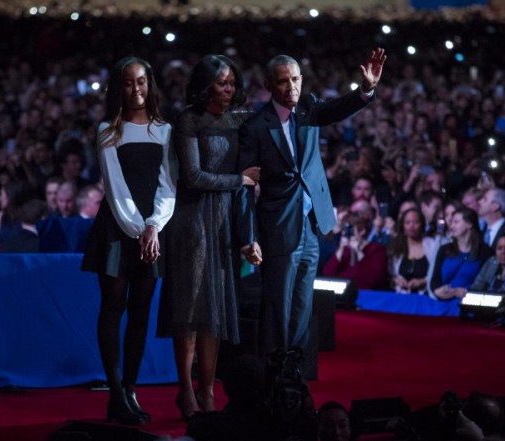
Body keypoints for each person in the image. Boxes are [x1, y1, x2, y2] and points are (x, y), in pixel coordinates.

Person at [237, 48, 386, 354]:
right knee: (277, 305)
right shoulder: (254, 127)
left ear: (302, 80)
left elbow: (337, 109)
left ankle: (296, 375)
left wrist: (366, 89)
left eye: (295, 80)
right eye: (282, 81)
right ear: (268, 85)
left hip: (311, 223)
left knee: (303, 304)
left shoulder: (308, 106)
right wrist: (249, 237)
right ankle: (274, 376)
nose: (290, 87)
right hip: (277, 227)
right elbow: (245, 188)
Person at [159, 55, 260, 421]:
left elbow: (249, 175)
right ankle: (185, 390)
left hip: (222, 225)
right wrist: (240, 180)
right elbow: (193, 176)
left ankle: (208, 388)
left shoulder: (239, 119)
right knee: (190, 311)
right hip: (190, 223)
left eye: (232, 81)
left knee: (214, 311)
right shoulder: (188, 120)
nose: (229, 88)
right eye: (222, 83)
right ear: (205, 86)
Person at [80, 55, 176, 425]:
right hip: (118, 229)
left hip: (153, 230)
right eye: (127, 82)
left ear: (150, 84)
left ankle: (131, 391)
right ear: (117, 87)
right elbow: (115, 188)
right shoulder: (109, 129)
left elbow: (169, 185)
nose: (135, 89)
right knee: (113, 308)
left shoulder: (165, 130)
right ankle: (115, 392)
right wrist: (141, 229)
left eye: (141, 82)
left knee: (140, 314)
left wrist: (154, 225)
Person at [430, 208, 493, 300]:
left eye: (456, 222)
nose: (451, 226)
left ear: (469, 224)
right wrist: (437, 291)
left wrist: (467, 292)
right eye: (452, 223)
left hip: (468, 304)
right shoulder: (444, 249)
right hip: (443, 302)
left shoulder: (485, 252)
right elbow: (435, 280)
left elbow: (487, 284)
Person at [322, 206, 389, 290]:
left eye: (353, 229)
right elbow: (328, 274)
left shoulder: (377, 250)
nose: (350, 232)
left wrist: (359, 252)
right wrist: (341, 250)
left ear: (363, 231)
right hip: (344, 295)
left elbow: (374, 279)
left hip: (368, 296)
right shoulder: (345, 250)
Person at [388, 208, 438, 294]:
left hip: (425, 295)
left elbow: (438, 273)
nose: (412, 226)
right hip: (401, 295)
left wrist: (424, 281)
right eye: (407, 223)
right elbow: (390, 274)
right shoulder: (396, 245)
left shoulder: (433, 245)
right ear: (403, 226)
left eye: (416, 222)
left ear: (422, 224)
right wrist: (396, 280)